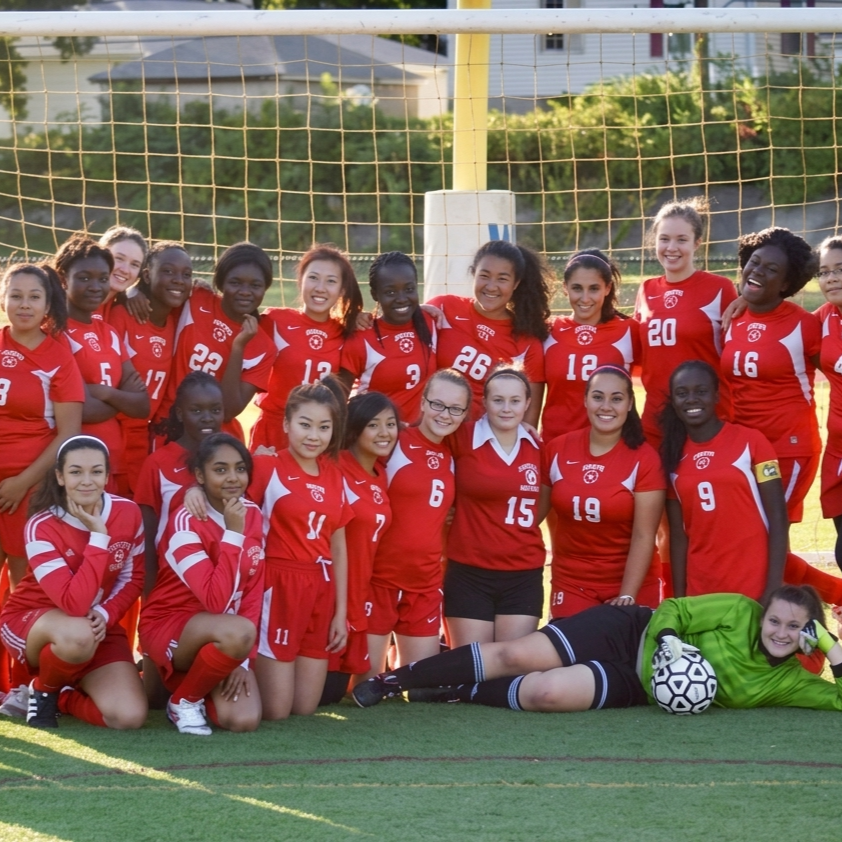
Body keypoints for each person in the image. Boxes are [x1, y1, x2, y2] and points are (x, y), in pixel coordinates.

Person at [352, 585, 842, 713]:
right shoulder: (740, 610)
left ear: (806, 635)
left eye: (793, 628)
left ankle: (458, 690)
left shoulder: (786, 681)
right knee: (517, 656)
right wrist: (668, 641)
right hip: (630, 632)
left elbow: (838, 699)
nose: (777, 631)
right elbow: (673, 609)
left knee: (546, 695)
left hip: (640, 684)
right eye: (775, 619)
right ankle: (395, 680)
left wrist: (831, 647)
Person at [0, 435, 146, 729]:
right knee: (78, 634)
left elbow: (133, 578)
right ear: (60, 476)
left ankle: (61, 695)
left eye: (96, 471)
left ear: (107, 475)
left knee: (129, 717)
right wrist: (99, 537)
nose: (87, 481)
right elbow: (74, 603)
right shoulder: (42, 525)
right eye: (76, 472)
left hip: (93, 625)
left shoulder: (128, 512)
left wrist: (106, 614)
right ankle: (44, 690)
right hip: (33, 620)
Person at [139, 433, 264, 735]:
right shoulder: (183, 521)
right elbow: (215, 601)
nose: (232, 477)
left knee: (243, 720)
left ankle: (199, 685)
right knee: (238, 630)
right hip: (171, 625)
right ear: (200, 475)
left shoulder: (254, 514)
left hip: (227, 634)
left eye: (240, 468)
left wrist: (242, 660)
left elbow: (253, 589)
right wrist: (233, 534)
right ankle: (183, 701)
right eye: (220, 470)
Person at [249, 380, 351, 719]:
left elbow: (338, 545)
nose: (313, 435)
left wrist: (340, 611)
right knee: (277, 711)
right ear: (286, 424)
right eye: (305, 424)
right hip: (278, 584)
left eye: (324, 427)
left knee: (305, 709)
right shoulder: (266, 466)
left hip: (320, 587)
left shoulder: (335, 475)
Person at [367, 369, 471, 671]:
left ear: (464, 414)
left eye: (455, 409)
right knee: (363, 685)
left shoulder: (453, 453)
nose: (444, 415)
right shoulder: (394, 441)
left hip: (424, 583)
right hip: (380, 578)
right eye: (437, 404)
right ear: (423, 403)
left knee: (416, 685)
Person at [660, 360, 787, 601]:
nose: (691, 399)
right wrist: (679, 599)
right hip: (702, 591)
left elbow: (779, 519)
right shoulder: (671, 457)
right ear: (674, 402)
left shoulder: (752, 442)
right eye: (682, 393)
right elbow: (678, 535)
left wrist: (772, 590)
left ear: (717, 396)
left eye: (701, 391)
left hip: (752, 587)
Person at [543, 365, 664, 618]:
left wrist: (627, 595)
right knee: (571, 656)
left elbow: (644, 535)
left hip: (630, 584)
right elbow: (529, 515)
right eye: (598, 397)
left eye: (616, 399)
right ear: (585, 400)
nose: (606, 406)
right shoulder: (557, 449)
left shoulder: (644, 458)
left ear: (630, 403)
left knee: (622, 656)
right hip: (572, 583)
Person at [721, 227, 820, 524]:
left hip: (788, 449)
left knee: (767, 536)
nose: (758, 270)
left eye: (771, 268)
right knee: (752, 541)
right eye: (755, 261)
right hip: (744, 450)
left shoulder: (805, 325)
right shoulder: (732, 317)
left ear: (786, 283)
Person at [444, 366, 549, 648]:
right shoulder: (461, 436)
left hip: (522, 572)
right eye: (497, 400)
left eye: (515, 401)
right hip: (469, 570)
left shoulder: (540, 447)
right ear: (484, 402)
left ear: (528, 403)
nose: (506, 408)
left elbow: (546, 500)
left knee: (510, 669)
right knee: (473, 664)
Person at [0, 264, 84, 588]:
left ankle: (18, 640)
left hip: (30, 486)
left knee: (24, 581)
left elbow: (69, 433)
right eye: (16, 296)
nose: (24, 304)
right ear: (4, 300)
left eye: (34, 297)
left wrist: (22, 483)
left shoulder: (58, 358)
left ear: (47, 306)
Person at [634, 198, 737, 449]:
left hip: (707, 419)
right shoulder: (646, 289)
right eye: (664, 239)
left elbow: (738, 353)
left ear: (697, 243)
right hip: (657, 420)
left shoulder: (719, 288)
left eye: (681, 239)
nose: (671, 247)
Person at [320, 391, 398, 704]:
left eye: (390, 424)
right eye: (374, 425)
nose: (384, 433)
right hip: (327, 598)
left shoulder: (381, 474)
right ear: (355, 428)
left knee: (336, 692)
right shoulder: (333, 466)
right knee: (318, 698)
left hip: (359, 598)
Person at [54, 235, 150, 488]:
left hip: (112, 459)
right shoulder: (55, 332)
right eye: (84, 278)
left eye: (103, 279)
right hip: (75, 464)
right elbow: (83, 410)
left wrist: (103, 392)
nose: (96, 286)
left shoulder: (109, 332)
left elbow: (142, 406)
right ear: (63, 279)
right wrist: (121, 397)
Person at [158, 241, 277, 441]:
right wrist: (135, 296)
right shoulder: (195, 299)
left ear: (265, 288)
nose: (245, 291)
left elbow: (229, 410)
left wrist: (238, 347)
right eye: (235, 282)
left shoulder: (263, 348)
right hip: (168, 424)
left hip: (216, 440)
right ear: (221, 283)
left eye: (255, 285)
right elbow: (155, 292)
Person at [426, 241, 551, 426]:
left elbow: (528, 422)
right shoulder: (443, 308)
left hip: (485, 442)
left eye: (502, 279)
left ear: (516, 283)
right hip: (434, 430)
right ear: (473, 274)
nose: (491, 286)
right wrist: (414, 311)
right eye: (484, 276)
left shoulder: (527, 341)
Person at [252, 244, 363, 451]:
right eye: (313, 277)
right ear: (300, 280)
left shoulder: (348, 332)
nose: (320, 287)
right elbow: (232, 320)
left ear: (342, 290)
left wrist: (427, 310)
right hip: (274, 431)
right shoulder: (275, 320)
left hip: (317, 437)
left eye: (331, 281)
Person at [107, 241, 193, 495]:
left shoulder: (179, 318)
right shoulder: (122, 315)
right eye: (168, 271)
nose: (178, 280)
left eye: (186, 275)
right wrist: (130, 292)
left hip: (146, 436)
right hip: (114, 432)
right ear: (146, 275)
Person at [542, 249, 639, 441]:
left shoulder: (629, 330)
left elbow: (656, 377)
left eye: (594, 289)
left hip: (610, 448)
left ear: (607, 288)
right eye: (577, 288)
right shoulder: (548, 330)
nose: (585, 298)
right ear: (565, 287)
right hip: (553, 446)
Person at [339, 251, 436, 423]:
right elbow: (339, 400)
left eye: (409, 289)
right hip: (376, 437)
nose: (401, 299)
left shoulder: (431, 323)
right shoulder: (362, 337)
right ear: (375, 294)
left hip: (419, 439)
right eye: (390, 292)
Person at [813, 236, 842, 569]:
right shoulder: (822, 318)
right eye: (824, 271)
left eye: (839, 270)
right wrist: (741, 304)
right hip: (836, 450)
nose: (831, 278)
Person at [96, 226, 147, 320]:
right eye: (119, 258)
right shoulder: (71, 300)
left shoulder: (120, 306)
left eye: (134, 265)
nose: (125, 270)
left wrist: (132, 293)